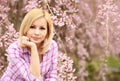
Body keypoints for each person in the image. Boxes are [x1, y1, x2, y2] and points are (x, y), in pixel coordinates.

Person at [0, 8, 58, 81]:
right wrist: (33, 48)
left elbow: (51, 76)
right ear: (26, 28)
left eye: (42, 28)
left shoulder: (52, 46)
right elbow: (32, 77)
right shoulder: (14, 49)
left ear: (48, 31)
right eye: (32, 27)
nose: (37, 33)